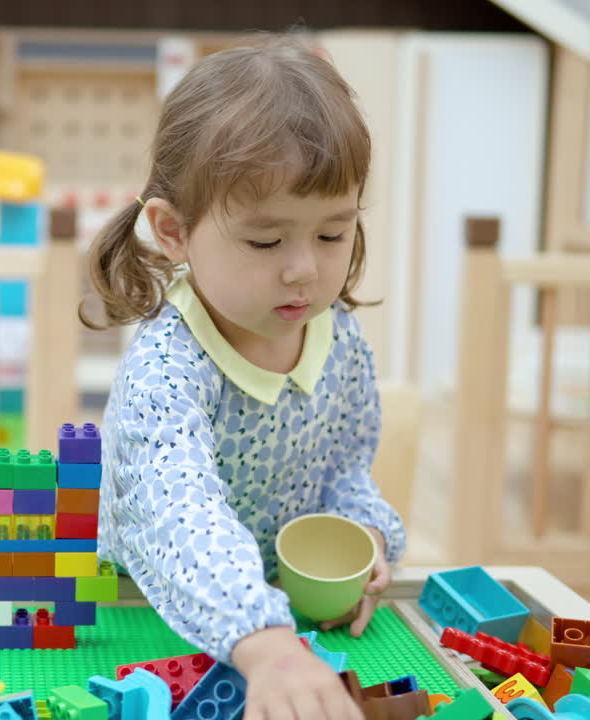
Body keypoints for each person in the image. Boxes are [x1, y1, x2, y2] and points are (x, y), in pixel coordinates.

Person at [81, 32, 407, 720]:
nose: (304, 270)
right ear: (173, 232)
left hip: (280, 624)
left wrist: (364, 536)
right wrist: (265, 642)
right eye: (266, 239)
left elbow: (346, 471)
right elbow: (180, 515)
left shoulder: (337, 337)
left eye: (332, 234)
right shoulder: (166, 371)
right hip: (143, 618)